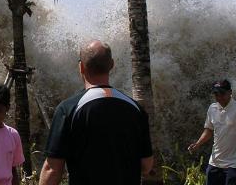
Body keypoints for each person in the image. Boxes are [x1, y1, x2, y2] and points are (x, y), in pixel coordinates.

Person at [39, 40, 153, 185]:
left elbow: (52, 169)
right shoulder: (136, 109)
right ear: (112, 65)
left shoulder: (68, 109)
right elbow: (146, 165)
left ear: (81, 67)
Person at [187, 79, 236, 185]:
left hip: (234, 163)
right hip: (215, 161)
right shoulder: (212, 108)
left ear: (230, 92)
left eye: (222, 93)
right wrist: (198, 144)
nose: (219, 97)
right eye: (216, 94)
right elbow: (209, 130)